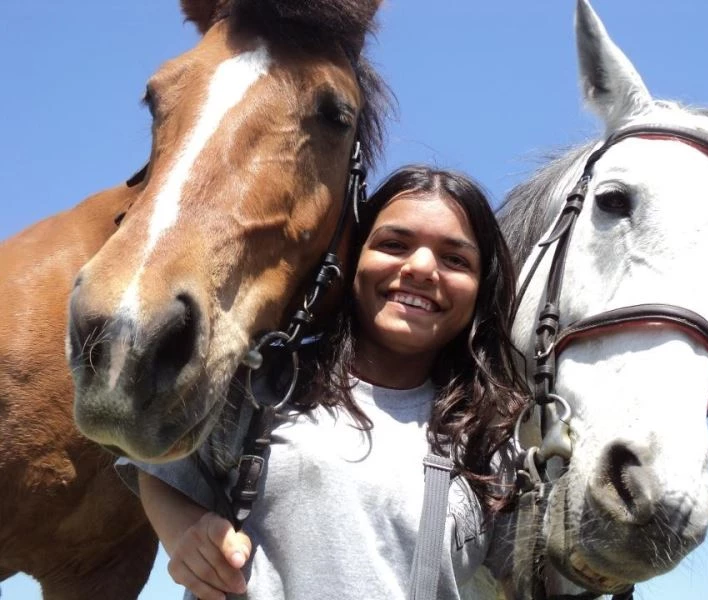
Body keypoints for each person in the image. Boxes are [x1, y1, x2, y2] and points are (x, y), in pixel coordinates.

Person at [118, 165, 528, 600]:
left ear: (482, 289)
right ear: (352, 261)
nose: (422, 268)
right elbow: (161, 468)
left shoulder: (495, 439)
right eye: (394, 244)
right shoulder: (267, 381)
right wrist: (186, 532)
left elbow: (533, 574)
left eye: (456, 259)